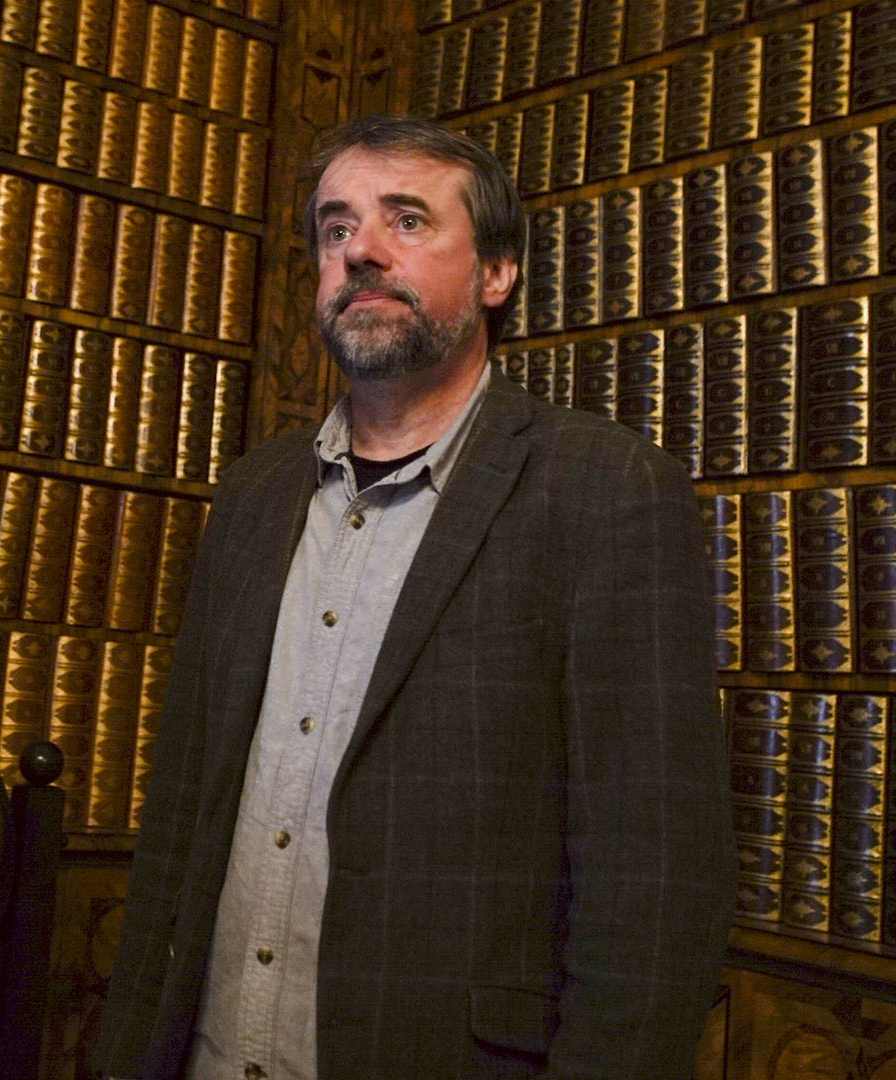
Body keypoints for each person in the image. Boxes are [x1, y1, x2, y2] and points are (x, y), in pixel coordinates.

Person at [90, 114, 732, 1080]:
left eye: (408, 222)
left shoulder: (605, 490)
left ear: (497, 274)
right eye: (337, 228)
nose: (363, 253)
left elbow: (655, 881)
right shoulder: (254, 496)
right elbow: (182, 806)